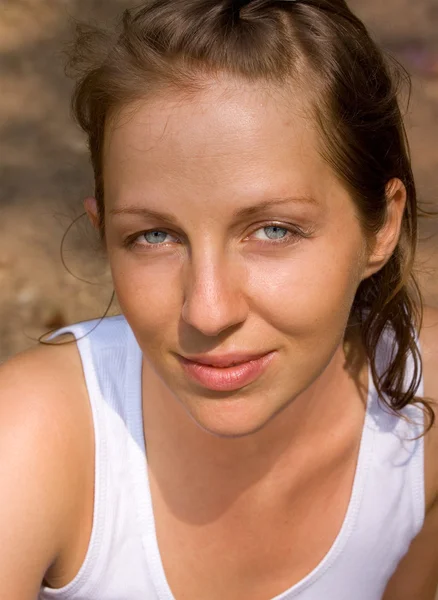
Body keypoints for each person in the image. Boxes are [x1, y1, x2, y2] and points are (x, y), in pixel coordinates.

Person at [1, 0, 437, 598]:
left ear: (381, 227)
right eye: (153, 236)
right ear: (103, 231)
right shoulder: (31, 435)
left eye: (274, 231)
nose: (207, 310)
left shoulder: (425, 401)